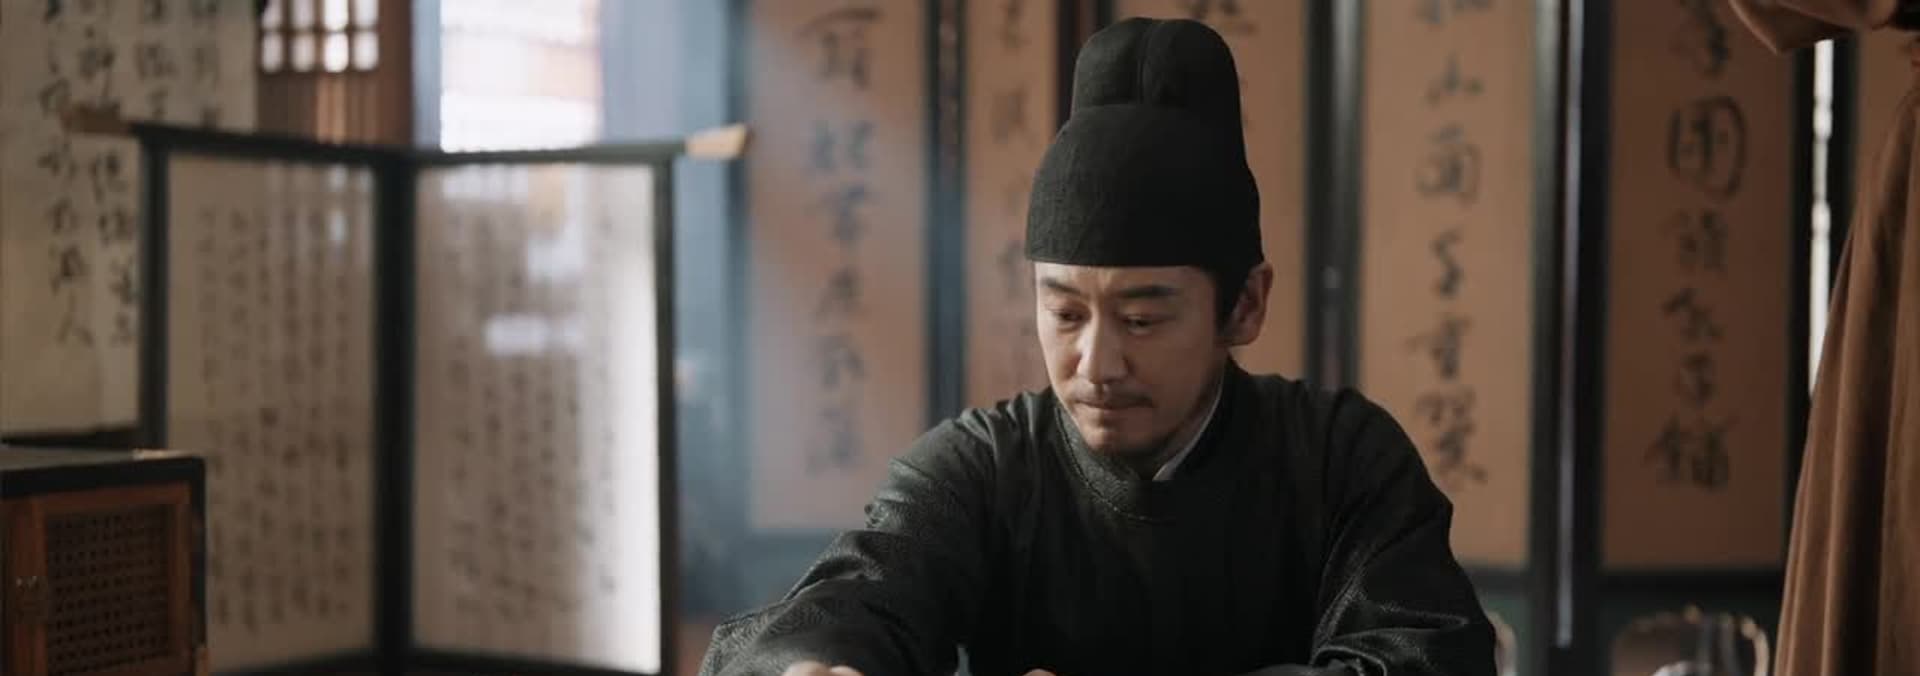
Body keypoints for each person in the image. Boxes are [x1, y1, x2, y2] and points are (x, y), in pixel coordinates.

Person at [700, 18, 1496, 676]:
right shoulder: (984, 469)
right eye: (1066, 312)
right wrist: (818, 660)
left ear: (1245, 305)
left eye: (1142, 319)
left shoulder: (1340, 461)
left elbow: (1427, 660)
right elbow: (856, 596)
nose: (1096, 364)